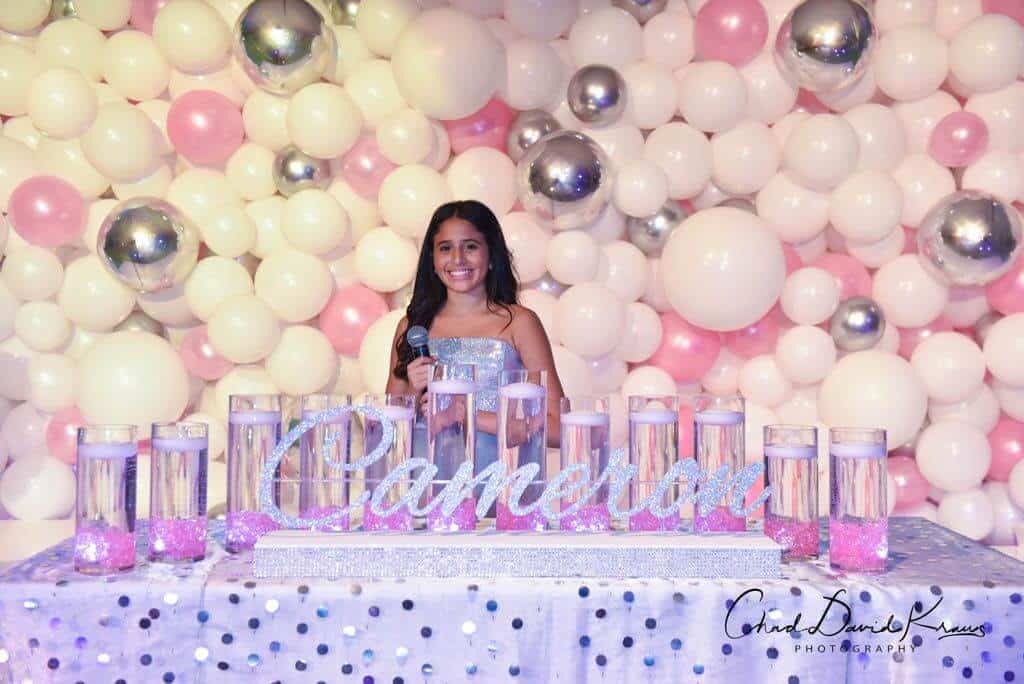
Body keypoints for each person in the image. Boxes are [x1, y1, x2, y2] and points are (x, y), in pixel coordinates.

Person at [386, 200, 564, 478]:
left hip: (499, 493)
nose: (457, 259)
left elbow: (558, 429)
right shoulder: (412, 327)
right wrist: (412, 389)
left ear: (491, 255)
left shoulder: (519, 323)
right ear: (432, 260)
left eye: (470, 246)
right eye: (445, 248)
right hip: (424, 491)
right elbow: (390, 437)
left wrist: (466, 413)